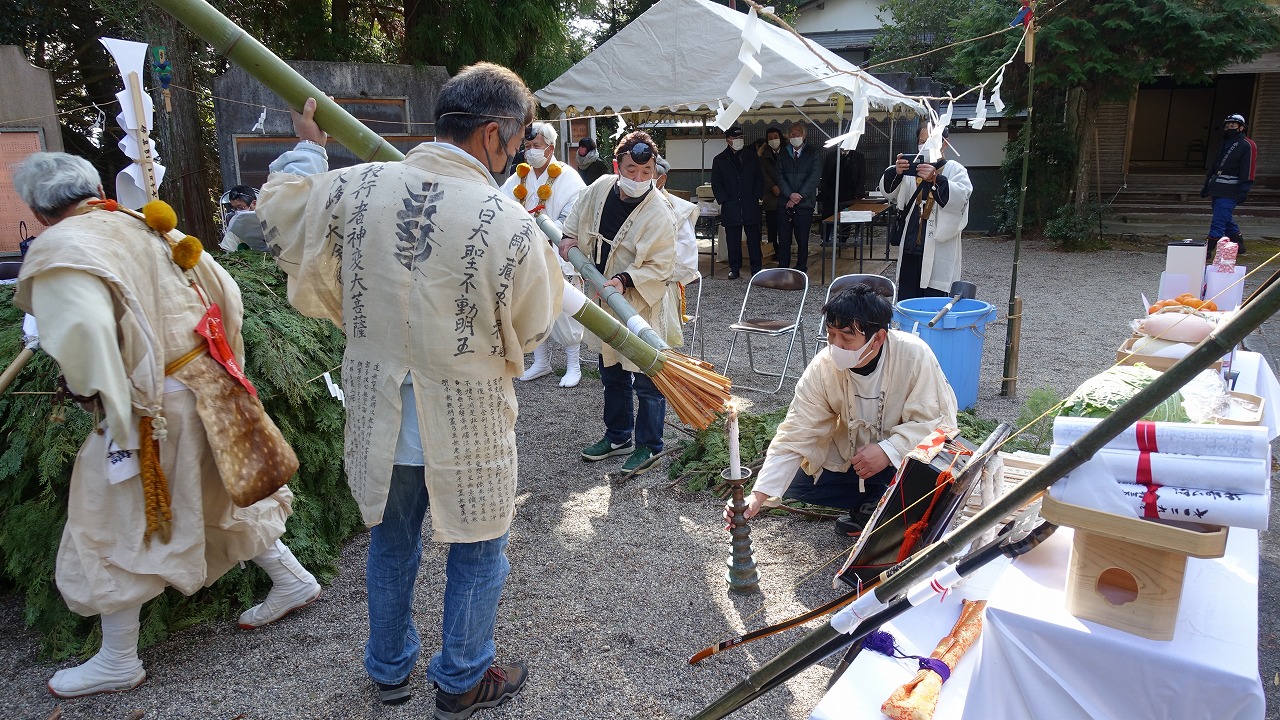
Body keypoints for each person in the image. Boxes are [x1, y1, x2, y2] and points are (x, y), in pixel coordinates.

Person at [255, 63, 563, 716]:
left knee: (392, 548)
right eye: (518, 139)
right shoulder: (509, 221)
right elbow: (535, 327)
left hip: (379, 413)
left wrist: (310, 145)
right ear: (492, 135)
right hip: (469, 418)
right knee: (479, 556)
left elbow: (279, 214)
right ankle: (462, 678)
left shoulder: (353, 187)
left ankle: (390, 668)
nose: (517, 152)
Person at [12, 152, 319, 698]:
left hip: (153, 409)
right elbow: (226, 291)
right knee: (226, 491)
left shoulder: (66, 244)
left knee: (108, 518)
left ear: (38, 212)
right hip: (209, 381)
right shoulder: (143, 220)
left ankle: (117, 659)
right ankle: (292, 580)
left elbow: (81, 332)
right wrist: (229, 365)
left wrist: (106, 402)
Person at [727, 284, 957, 535]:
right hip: (854, 459)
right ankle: (871, 504)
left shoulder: (913, 355)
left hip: (903, 459)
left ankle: (898, 511)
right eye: (831, 334)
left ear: (878, 337)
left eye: (846, 337)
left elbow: (938, 422)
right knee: (795, 481)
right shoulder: (823, 366)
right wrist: (757, 497)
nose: (836, 345)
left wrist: (888, 450)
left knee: (934, 474)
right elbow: (798, 431)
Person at [559, 131, 679, 475]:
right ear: (617, 166)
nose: (639, 179)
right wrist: (568, 239)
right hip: (603, 295)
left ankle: (649, 444)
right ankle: (618, 436)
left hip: (640, 301)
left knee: (645, 374)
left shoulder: (660, 210)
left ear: (655, 171)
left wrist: (624, 280)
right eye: (631, 170)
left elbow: (660, 265)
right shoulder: (599, 188)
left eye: (647, 172)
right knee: (610, 370)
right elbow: (576, 219)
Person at [501, 121, 588, 388]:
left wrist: (546, 229)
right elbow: (503, 204)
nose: (530, 152)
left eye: (536, 146)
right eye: (527, 146)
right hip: (526, 253)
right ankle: (541, 361)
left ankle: (574, 364)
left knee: (565, 307)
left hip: (556, 251)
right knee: (531, 306)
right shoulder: (519, 176)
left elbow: (575, 215)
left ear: (550, 149)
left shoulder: (568, 177)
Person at [879, 125, 972, 301]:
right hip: (911, 243)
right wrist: (897, 172)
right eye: (922, 142)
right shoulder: (910, 168)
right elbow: (888, 192)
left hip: (939, 245)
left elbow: (961, 198)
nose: (925, 146)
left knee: (935, 299)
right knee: (908, 299)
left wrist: (936, 179)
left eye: (932, 142)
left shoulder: (955, 170)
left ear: (945, 144)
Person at [711, 126, 764, 279]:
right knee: (732, 239)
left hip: (750, 202)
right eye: (735, 139)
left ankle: (756, 268)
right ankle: (735, 268)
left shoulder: (752, 156)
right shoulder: (720, 159)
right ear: (728, 140)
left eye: (740, 138)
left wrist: (756, 196)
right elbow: (716, 182)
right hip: (731, 203)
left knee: (753, 237)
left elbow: (759, 178)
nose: (738, 141)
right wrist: (724, 199)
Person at [1202, 113, 1257, 254]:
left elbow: (1248, 168)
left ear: (1241, 128)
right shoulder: (1224, 144)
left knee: (1219, 221)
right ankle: (1239, 244)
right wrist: (1207, 184)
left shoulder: (1247, 145)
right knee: (1224, 217)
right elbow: (1215, 165)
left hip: (1231, 188)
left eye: (1233, 125)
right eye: (1227, 125)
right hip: (1218, 186)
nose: (1229, 128)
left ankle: (1207, 250)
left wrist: (1244, 189)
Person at [775, 121, 821, 272]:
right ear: (788, 136)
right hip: (785, 203)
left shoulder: (813, 153)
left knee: (802, 238)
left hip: (804, 203)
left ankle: (801, 267)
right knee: (784, 238)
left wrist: (799, 196)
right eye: (792, 134)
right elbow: (779, 176)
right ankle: (783, 267)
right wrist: (789, 194)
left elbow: (814, 177)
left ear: (804, 135)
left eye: (798, 133)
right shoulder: (783, 153)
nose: (795, 136)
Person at [818, 147, 865, 246]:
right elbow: (825, 173)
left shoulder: (858, 156)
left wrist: (858, 192)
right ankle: (825, 237)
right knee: (828, 214)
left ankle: (843, 238)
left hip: (849, 193)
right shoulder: (831, 155)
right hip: (831, 191)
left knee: (846, 216)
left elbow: (862, 176)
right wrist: (824, 190)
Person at [220, 184, 268, 251]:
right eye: (234, 208)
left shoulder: (269, 216)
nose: (237, 212)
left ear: (254, 204)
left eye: (240, 207)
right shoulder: (236, 221)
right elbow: (229, 248)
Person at [759, 126, 784, 251]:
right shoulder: (763, 155)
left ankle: (785, 250)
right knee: (772, 227)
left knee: (785, 228)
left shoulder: (787, 152)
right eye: (770, 138)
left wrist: (783, 187)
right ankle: (773, 250)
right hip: (770, 197)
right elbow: (762, 174)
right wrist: (772, 186)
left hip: (786, 195)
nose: (773, 140)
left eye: (775, 137)